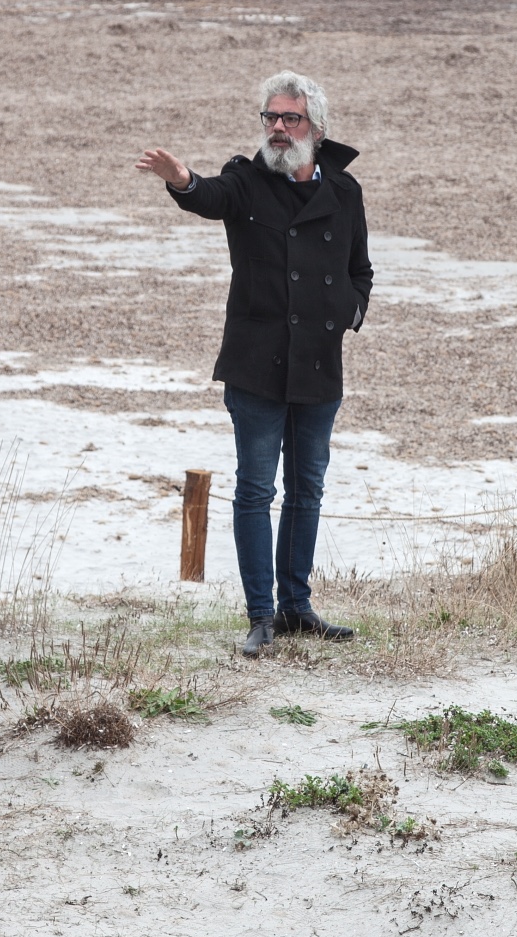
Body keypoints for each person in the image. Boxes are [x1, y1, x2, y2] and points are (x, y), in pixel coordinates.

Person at [136, 71, 373, 658]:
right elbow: (210, 195)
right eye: (269, 117)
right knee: (254, 490)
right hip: (256, 365)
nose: (276, 127)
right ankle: (261, 615)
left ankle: (297, 606)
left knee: (307, 490)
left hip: (318, 364)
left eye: (288, 118)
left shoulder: (345, 192)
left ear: (315, 127)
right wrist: (182, 180)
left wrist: (350, 309)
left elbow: (359, 269)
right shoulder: (247, 178)